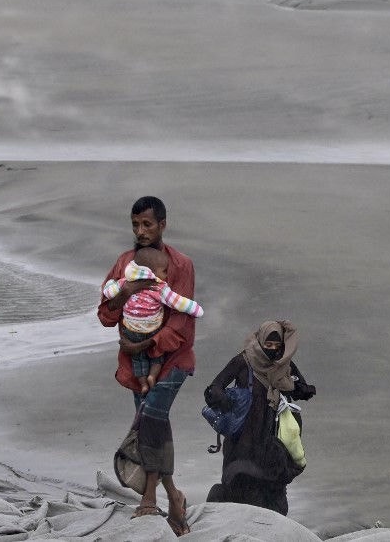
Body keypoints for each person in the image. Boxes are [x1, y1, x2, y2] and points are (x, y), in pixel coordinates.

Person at [98, 196, 195, 536]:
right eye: (136, 225)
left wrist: (144, 343)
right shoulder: (125, 265)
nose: (141, 231)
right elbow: (106, 315)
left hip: (174, 358)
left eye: (147, 224)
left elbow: (181, 323)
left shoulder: (180, 265)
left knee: (152, 418)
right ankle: (175, 496)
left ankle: (151, 497)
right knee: (151, 422)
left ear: (163, 225)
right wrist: (126, 293)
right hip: (136, 362)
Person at [203, 320, 316, 515]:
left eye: (277, 346)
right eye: (268, 346)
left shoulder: (284, 365)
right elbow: (214, 388)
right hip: (242, 438)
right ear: (260, 342)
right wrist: (229, 403)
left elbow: (302, 391)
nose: (272, 350)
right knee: (237, 483)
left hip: (270, 439)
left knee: (272, 490)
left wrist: (294, 387)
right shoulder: (243, 361)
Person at [102, 246, 204, 394]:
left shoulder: (125, 283)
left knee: (137, 359)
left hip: (130, 329)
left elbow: (109, 292)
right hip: (151, 329)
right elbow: (177, 302)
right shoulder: (158, 288)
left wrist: (111, 283)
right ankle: (152, 376)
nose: (166, 274)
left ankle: (143, 383)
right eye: (163, 271)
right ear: (151, 273)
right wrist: (196, 309)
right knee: (157, 355)